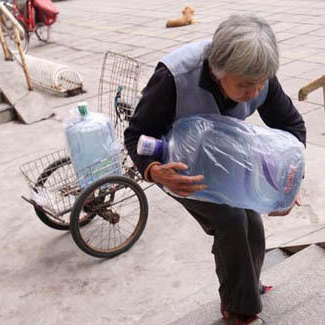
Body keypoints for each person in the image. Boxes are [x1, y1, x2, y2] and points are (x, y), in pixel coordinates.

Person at [123, 14, 306, 325]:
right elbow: (136, 134)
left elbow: (291, 126)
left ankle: (248, 286)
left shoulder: (259, 74)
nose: (255, 90)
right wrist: (154, 170)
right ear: (218, 71)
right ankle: (240, 311)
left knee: (252, 219)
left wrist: (289, 181)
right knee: (232, 220)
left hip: (227, 156)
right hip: (181, 166)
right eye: (245, 85)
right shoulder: (174, 77)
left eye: (260, 82)